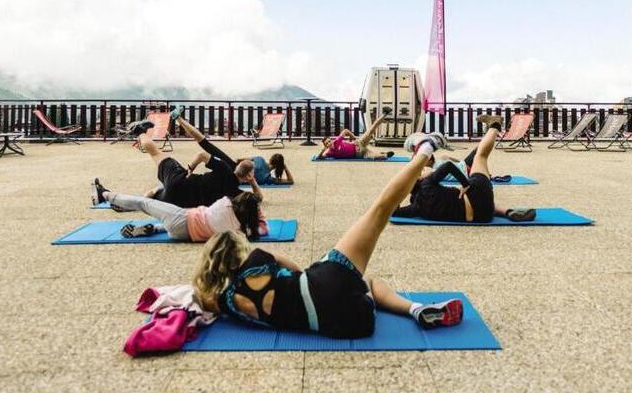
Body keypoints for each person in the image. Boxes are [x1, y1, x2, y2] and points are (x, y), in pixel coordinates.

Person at [190, 131, 464, 339]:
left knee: (365, 280)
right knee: (380, 210)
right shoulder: (258, 257)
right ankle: (425, 149)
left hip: (350, 323)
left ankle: (416, 309)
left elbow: (196, 297)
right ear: (238, 250)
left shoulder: (223, 301)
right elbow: (299, 269)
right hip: (325, 285)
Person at [393, 115, 536, 223]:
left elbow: (393, 212)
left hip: (482, 216)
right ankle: (495, 125)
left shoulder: (415, 208)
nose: (423, 170)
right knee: (480, 156)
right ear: (420, 179)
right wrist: (465, 184)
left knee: (476, 201)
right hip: (477, 195)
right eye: (421, 171)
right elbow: (448, 166)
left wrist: (399, 194)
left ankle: (507, 212)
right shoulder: (427, 183)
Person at [138, 108, 261, 208]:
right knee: (156, 195)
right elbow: (258, 199)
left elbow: (202, 153)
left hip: (182, 181)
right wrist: (253, 182)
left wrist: (191, 168)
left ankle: (140, 132)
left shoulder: (225, 167)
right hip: (182, 203)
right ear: (247, 177)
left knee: (156, 153)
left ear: (237, 168)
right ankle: (150, 195)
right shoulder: (235, 193)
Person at [91, 179, 269, 241]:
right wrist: (256, 214)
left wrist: (255, 206)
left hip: (182, 218)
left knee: (144, 203)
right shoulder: (242, 230)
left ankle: (105, 195)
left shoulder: (226, 203)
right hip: (183, 235)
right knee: (173, 219)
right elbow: (263, 228)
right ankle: (156, 228)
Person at [319, 113, 394, 160]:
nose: (329, 143)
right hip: (360, 153)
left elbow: (345, 130)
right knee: (375, 157)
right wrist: (323, 150)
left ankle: (385, 113)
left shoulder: (337, 141)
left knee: (371, 130)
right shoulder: (330, 152)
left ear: (331, 140)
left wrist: (354, 137)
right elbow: (320, 157)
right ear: (326, 146)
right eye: (327, 143)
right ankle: (385, 154)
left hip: (359, 143)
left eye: (329, 141)